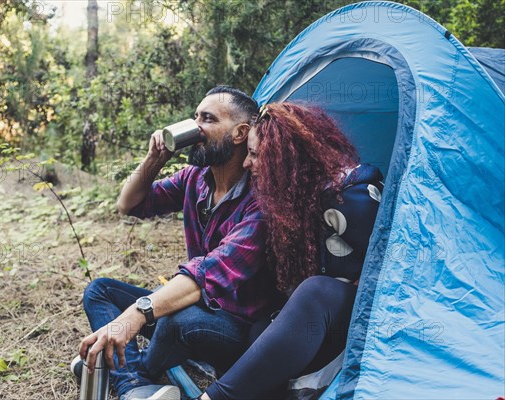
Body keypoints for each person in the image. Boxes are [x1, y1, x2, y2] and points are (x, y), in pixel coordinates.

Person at [78, 86, 282, 400]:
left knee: (176, 319)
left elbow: (208, 272)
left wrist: (135, 315)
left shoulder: (261, 200)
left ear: (241, 133)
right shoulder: (195, 178)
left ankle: (130, 373)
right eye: (195, 117)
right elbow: (128, 204)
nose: (196, 127)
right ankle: (134, 385)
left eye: (208, 119)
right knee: (100, 290)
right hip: (194, 302)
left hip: (236, 327)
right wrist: (153, 160)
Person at [200, 103, 384, 399]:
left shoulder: (353, 196)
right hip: (325, 321)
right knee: (261, 327)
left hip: (371, 316)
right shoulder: (294, 197)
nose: (247, 163)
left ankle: (214, 397)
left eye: (256, 154)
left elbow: (393, 267)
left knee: (316, 290)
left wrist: (358, 282)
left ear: (286, 159)